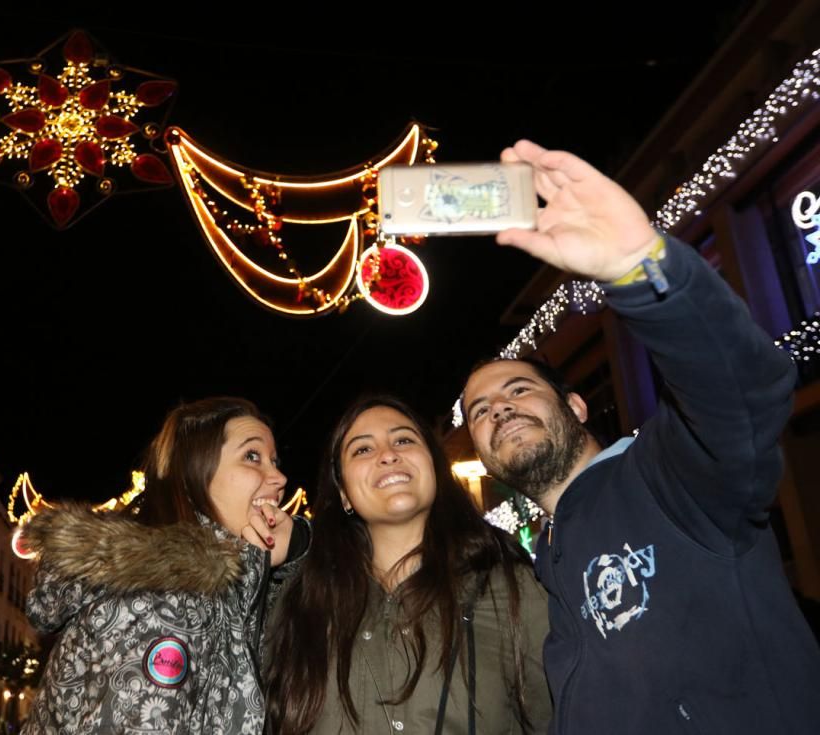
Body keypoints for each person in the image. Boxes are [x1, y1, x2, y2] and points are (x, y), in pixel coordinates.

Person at [460, 140, 820, 733]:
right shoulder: (543, 567)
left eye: (519, 390)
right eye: (479, 411)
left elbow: (745, 393)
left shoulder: (670, 475)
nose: (498, 409)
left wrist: (640, 267)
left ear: (575, 405)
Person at [265, 395, 551, 734]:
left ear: (433, 466)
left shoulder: (511, 588)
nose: (388, 455)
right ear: (343, 493)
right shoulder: (299, 604)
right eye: (362, 450)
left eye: (404, 440)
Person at [19, 397, 305, 734]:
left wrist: (297, 545)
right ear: (193, 474)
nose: (280, 477)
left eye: (274, 460)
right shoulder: (161, 605)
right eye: (252, 456)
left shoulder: (216, 597)